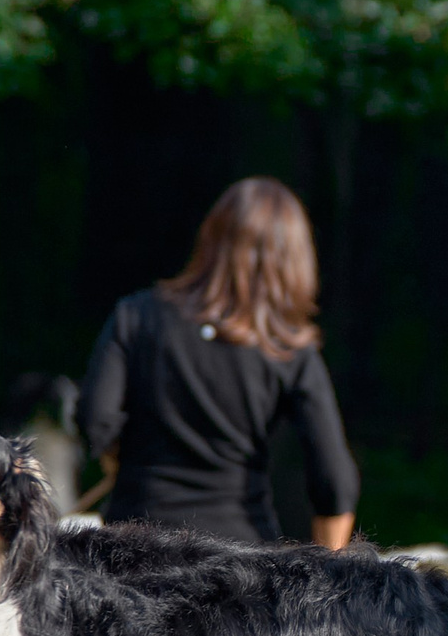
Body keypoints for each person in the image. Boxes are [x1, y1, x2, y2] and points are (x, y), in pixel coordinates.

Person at [80, 177, 359, 546]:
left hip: (131, 549)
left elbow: (94, 420)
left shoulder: (137, 316)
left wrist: (122, 463)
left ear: (210, 239)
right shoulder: (288, 348)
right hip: (239, 562)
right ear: (294, 259)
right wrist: (331, 582)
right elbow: (334, 482)